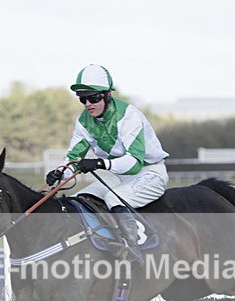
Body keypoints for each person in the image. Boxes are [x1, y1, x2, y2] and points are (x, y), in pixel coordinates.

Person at [46, 64, 169, 262]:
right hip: (117, 176)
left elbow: (134, 163)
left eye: (93, 98)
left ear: (107, 95)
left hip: (149, 173)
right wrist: (61, 172)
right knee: (78, 200)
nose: (87, 103)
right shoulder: (84, 121)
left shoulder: (129, 116)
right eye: (82, 99)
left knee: (114, 199)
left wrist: (99, 164)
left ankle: (134, 251)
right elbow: (73, 159)